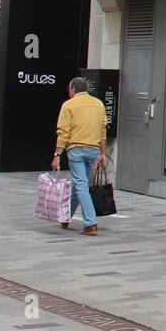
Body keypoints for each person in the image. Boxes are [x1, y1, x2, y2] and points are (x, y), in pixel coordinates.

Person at [51, 77, 109, 236]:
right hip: (93, 150)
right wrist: (103, 153)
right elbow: (103, 130)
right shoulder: (99, 104)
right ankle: (65, 216)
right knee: (79, 183)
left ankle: (90, 223)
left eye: (69, 89)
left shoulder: (68, 105)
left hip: (76, 149)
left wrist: (57, 155)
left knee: (81, 184)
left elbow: (63, 133)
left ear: (73, 89)